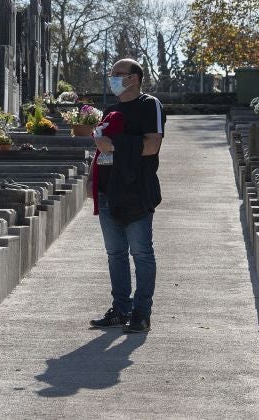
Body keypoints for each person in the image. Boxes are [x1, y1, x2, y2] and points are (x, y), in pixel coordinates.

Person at [88, 58, 165, 333]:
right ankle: (121, 309)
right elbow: (101, 149)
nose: (113, 78)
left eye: (118, 74)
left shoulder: (149, 105)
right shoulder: (110, 110)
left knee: (141, 253)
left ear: (134, 78)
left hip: (137, 192)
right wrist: (91, 179)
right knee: (115, 254)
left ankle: (141, 313)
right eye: (111, 74)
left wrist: (114, 145)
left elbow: (151, 146)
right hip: (109, 191)